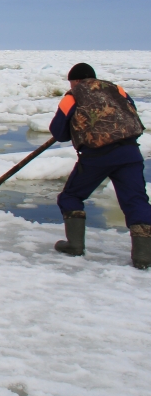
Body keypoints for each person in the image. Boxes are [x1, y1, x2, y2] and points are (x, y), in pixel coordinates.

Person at [50, 63, 150, 269]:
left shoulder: (72, 96)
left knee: (71, 196)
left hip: (98, 155)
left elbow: (58, 132)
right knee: (136, 201)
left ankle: (74, 245)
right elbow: (130, 111)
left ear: (75, 80)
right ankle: (143, 256)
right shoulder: (117, 89)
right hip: (130, 151)